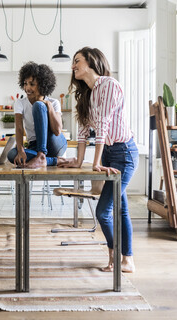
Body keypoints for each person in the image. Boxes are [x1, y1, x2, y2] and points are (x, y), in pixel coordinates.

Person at [58, 47, 139, 273]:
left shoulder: (109, 85)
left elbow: (102, 125)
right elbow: (84, 131)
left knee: (104, 211)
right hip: (109, 154)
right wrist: (78, 160)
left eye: (77, 61)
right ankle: (126, 259)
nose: (73, 66)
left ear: (91, 62)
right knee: (120, 208)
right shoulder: (89, 94)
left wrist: (95, 163)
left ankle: (115, 255)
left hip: (124, 154)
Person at [7, 61, 67, 168]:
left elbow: (57, 131)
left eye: (32, 84)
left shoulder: (53, 102)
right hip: (34, 145)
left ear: (43, 85)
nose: (27, 88)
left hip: (54, 143)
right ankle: (53, 161)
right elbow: (19, 129)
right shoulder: (20, 103)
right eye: (25, 83)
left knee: (38, 105)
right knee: (12, 155)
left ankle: (41, 155)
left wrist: (48, 106)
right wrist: (20, 150)